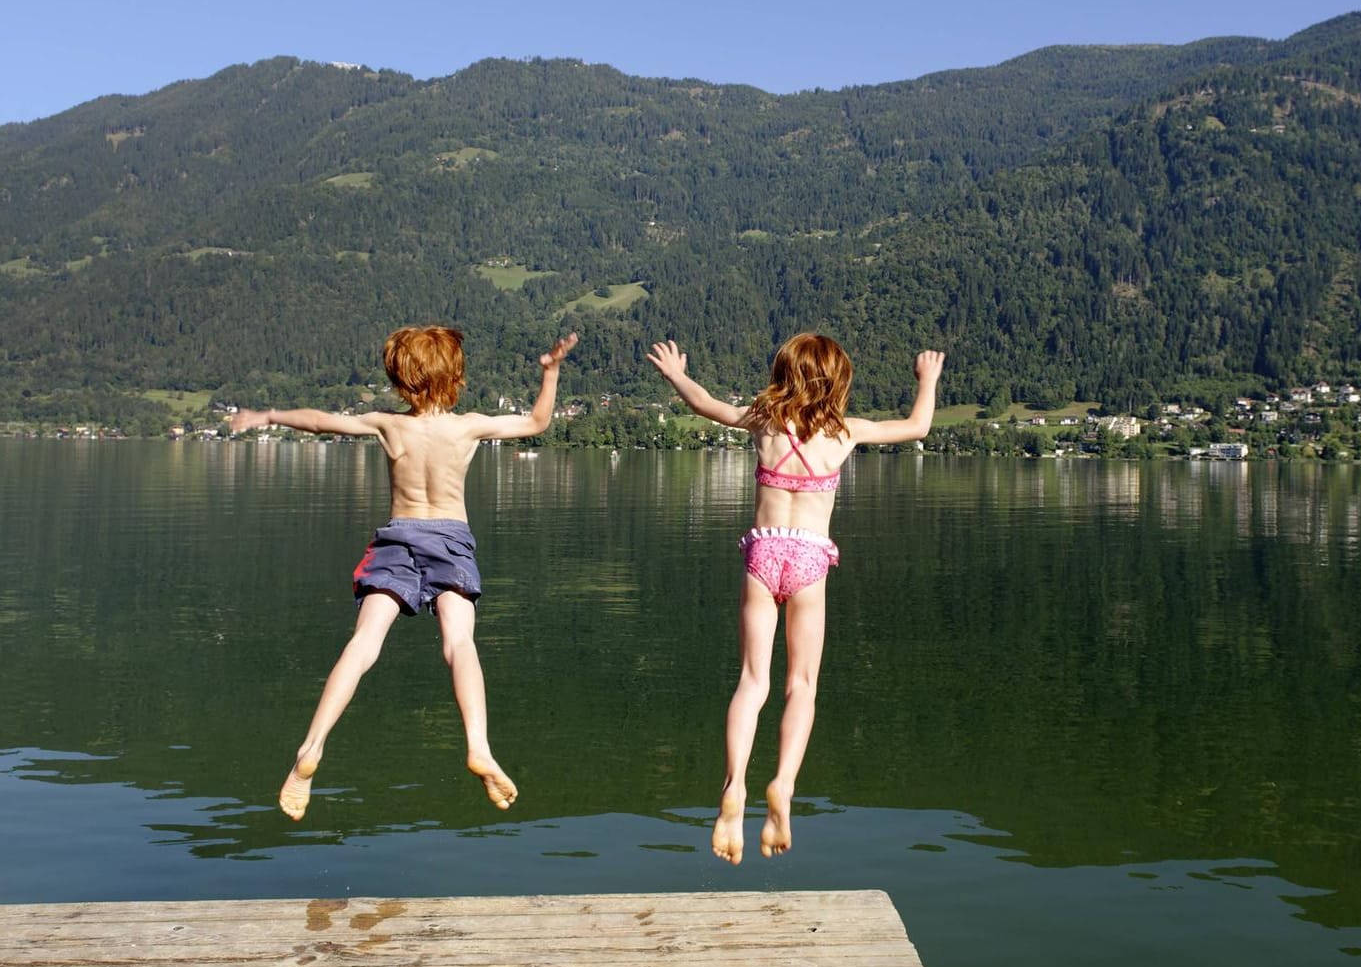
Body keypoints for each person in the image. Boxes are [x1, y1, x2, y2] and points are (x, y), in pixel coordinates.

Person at [229, 326, 578, 821]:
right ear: (454, 376)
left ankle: (311, 747)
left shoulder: (389, 425)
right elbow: (538, 423)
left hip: (398, 538)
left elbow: (321, 421)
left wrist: (267, 414)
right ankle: (478, 744)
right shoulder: (468, 427)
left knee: (364, 644)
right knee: (459, 645)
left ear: (400, 379)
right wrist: (551, 372)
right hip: (451, 541)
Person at [647, 333, 944, 864]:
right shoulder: (844, 432)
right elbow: (917, 427)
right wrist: (928, 380)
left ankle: (733, 786)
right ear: (838, 381)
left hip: (763, 555)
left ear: (783, 373)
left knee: (751, 681)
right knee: (801, 684)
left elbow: (706, 404)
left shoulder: (763, 420)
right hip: (809, 560)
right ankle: (782, 784)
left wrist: (675, 374)